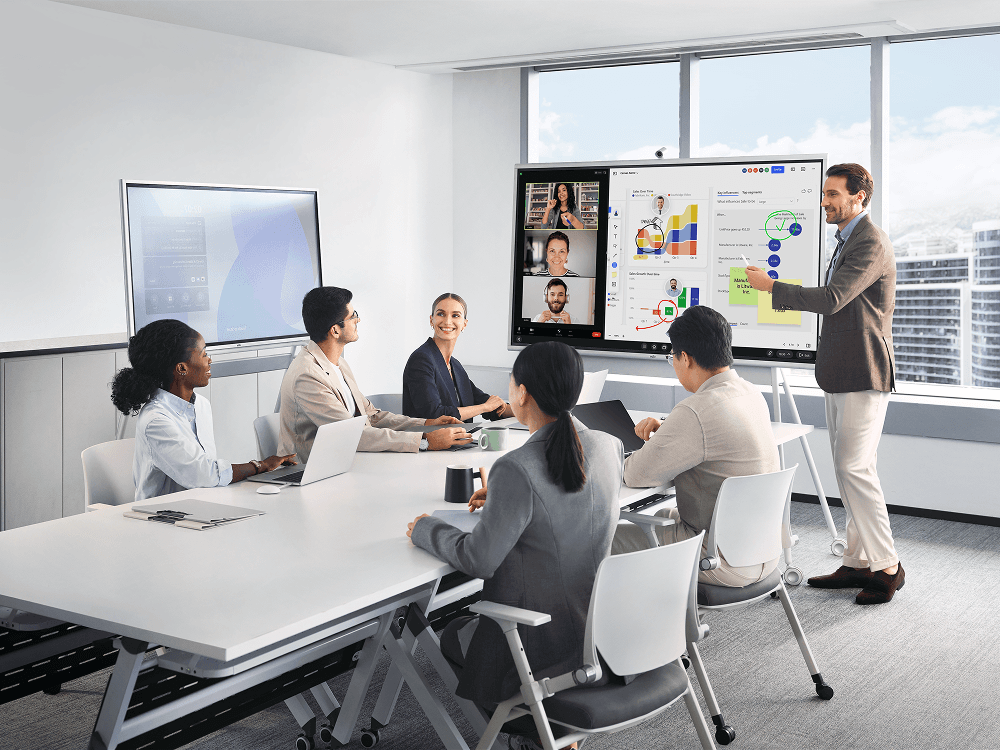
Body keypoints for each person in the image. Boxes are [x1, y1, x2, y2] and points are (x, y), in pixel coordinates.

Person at [406, 342, 623, 749]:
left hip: (537, 644)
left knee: (452, 632)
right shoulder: (609, 446)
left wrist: (425, 528)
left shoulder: (515, 467)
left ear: (522, 393)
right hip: (599, 636)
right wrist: (507, 501)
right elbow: (573, 502)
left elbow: (478, 559)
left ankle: (540, 733)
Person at [745, 163, 903, 605]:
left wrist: (772, 286)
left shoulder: (870, 241)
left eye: (833, 194)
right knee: (849, 469)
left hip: (863, 370)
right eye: (824, 193)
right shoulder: (848, 240)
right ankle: (857, 560)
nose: (825, 201)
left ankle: (887, 566)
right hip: (843, 369)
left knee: (856, 469)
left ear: (860, 198)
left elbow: (835, 299)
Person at [611, 305, 781, 587]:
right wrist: (669, 430)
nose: (674, 365)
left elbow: (634, 475)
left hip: (717, 559)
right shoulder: (751, 393)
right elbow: (714, 436)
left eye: (672, 358)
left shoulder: (696, 410)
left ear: (686, 358)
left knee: (597, 540)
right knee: (663, 515)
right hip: (762, 550)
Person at [110, 319, 295, 501]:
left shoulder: (201, 405)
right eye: (204, 354)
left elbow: (207, 475)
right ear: (181, 368)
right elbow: (204, 475)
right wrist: (261, 465)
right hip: (164, 519)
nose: (209, 360)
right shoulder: (155, 420)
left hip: (201, 506)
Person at [278, 287, 471, 462]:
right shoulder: (307, 375)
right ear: (335, 330)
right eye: (353, 316)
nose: (358, 320)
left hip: (344, 461)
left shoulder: (338, 364)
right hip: (310, 471)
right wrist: (426, 440)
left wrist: (427, 423)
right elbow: (353, 435)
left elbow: (372, 416)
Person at [403, 293, 514, 423]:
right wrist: (484, 407)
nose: (447, 321)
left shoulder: (455, 365)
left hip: (460, 439)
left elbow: (488, 404)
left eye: (455, 315)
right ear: (431, 320)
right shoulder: (421, 360)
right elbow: (434, 415)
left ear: (464, 324)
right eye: (441, 314)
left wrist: (530, 411)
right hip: (430, 441)